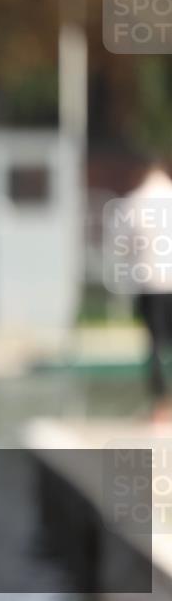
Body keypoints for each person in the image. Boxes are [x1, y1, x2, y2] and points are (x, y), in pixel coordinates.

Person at [126, 161, 172, 422]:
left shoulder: (136, 202)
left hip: (151, 281)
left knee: (155, 344)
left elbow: (124, 243)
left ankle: (161, 406)